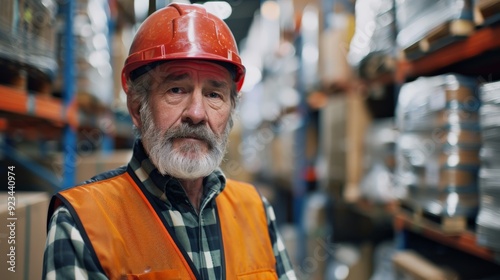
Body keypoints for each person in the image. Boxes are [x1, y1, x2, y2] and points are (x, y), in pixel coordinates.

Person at [42, 3, 297, 280]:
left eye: (214, 95)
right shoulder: (82, 223)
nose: (197, 114)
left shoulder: (256, 211)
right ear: (138, 107)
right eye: (176, 89)